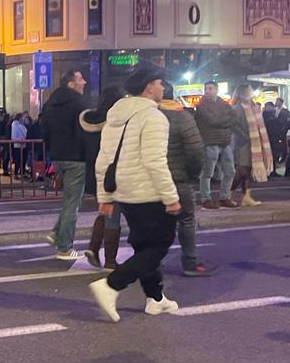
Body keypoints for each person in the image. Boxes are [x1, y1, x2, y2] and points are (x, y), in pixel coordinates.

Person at [89, 66, 181, 322]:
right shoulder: (153, 117)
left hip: (123, 192)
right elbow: (154, 161)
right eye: (160, 83)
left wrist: (104, 198)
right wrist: (170, 196)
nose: (163, 88)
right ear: (149, 86)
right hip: (149, 193)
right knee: (160, 244)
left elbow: (103, 161)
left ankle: (156, 299)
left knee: (144, 246)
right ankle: (111, 286)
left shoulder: (114, 117)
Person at [159, 82, 212, 276]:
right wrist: (192, 173)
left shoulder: (148, 115)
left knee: (156, 222)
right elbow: (196, 150)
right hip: (178, 177)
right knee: (186, 219)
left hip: (153, 178)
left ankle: (152, 263)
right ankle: (189, 262)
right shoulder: (183, 117)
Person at [41, 70, 88, 260]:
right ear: (70, 83)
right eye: (80, 79)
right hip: (76, 157)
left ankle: (56, 233)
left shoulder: (50, 104)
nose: (84, 82)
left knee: (69, 200)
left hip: (58, 157)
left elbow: (45, 131)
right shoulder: (79, 104)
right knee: (72, 203)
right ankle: (65, 247)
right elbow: (85, 131)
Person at [79, 87, 126, 269]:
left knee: (105, 210)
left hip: (93, 171)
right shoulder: (115, 123)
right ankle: (111, 261)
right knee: (113, 213)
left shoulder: (86, 120)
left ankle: (93, 247)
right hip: (111, 172)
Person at [194, 80, 236, 209]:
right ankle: (205, 198)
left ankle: (225, 197)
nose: (207, 91)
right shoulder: (201, 105)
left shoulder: (223, 103)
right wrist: (224, 120)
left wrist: (220, 120)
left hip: (225, 141)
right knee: (208, 172)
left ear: (216, 90)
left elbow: (232, 117)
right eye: (206, 89)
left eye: (210, 88)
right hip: (209, 141)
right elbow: (212, 121)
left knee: (230, 171)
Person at [230, 84, 273, 206]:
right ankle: (227, 193)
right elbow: (232, 124)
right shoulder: (237, 108)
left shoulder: (254, 107)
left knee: (247, 171)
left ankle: (246, 196)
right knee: (242, 170)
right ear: (242, 93)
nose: (252, 92)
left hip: (253, 144)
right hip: (242, 144)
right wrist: (244, 136)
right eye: (249, 91)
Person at [10, 112, 28, 178]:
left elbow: (25, 132)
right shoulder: (15, 124)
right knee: (18, 160)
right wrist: (19, 139)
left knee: (23, 159)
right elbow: (14, 135)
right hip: (17, 144)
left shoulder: (22, 124)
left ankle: (23, 172)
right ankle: (16, 173)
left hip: (23, 144)